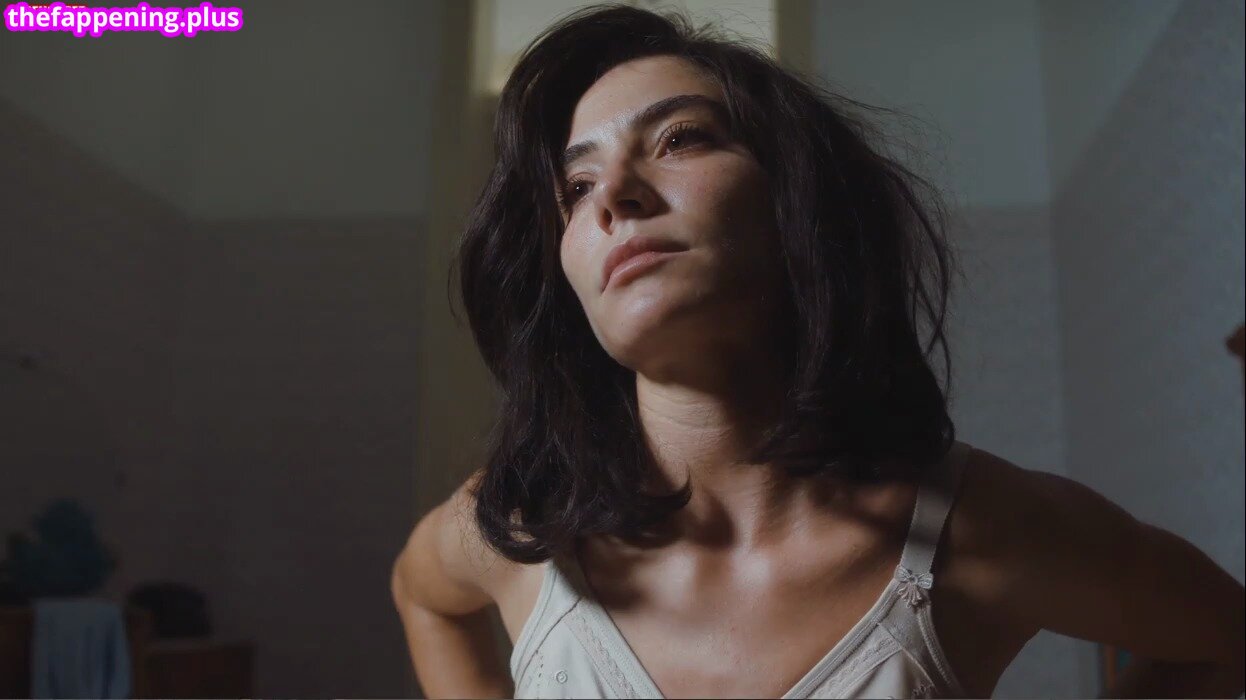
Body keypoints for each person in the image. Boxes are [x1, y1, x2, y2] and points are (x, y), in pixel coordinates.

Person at [392, 5, 1245, 698]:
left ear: (799, 200)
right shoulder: (520, 525)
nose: (613, 194)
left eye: (680, 137)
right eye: (575, 187)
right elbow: (423, 596)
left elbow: (1225, 636)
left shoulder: (979, 531)